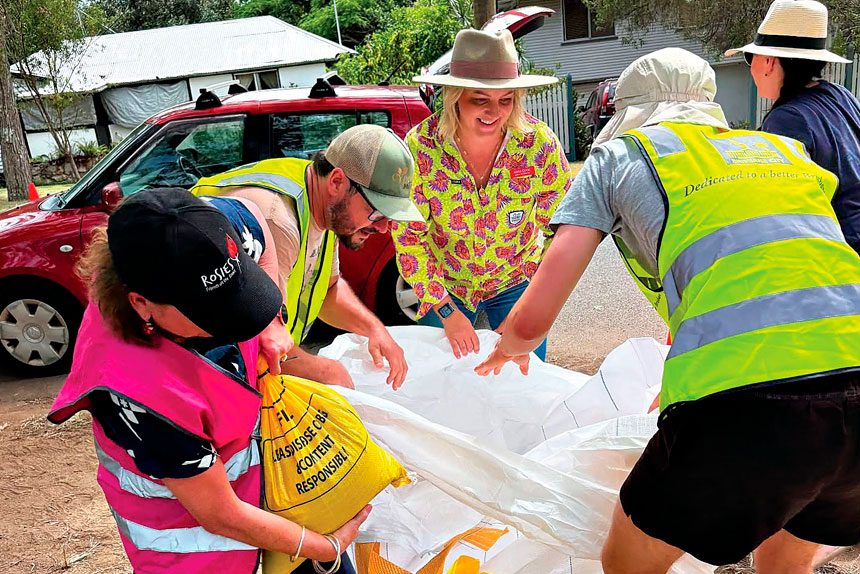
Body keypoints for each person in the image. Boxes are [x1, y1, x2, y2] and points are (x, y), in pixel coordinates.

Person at [476, 48, 860, 573]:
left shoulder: (618, 158)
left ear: (629, 112)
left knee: (627, 562)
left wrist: (506, 348)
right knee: (786, 559)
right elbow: (781, 278)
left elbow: (532, 320)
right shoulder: (780, 150)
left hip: (751, 405)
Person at [48, 189, 369, 574]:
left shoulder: (201, 234)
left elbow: (253, 218)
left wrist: (269, 321)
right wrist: (325, 549)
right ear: (141, 304)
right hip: (195, 549)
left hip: (266, 492)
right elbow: (221, 515)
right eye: (213, 314)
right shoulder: (139, 395)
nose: (236, 325)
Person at [192, 124, 423, 390]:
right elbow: (259, 343)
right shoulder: (277, 220)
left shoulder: (325, 205)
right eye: (376, 212)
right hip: (201, 376)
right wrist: (325, 371)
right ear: (337, 181)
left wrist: (374, 329)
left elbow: (328, 289)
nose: (383, 228)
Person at [393, 28, 571, 361]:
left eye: (506, 100)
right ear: (455, 96)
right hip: (446, 282)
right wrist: (446, 311)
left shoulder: (538, 144)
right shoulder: (421, 147)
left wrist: (533, 301)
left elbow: (564, 230)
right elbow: (408, 237)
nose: (495, 112)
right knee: (440, 379)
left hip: (516, 280)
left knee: (522, 378)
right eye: (480, 99)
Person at [727, 0, 860, 255]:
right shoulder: (839, 94)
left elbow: (774, 206)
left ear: (768, 62)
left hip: (842, 255)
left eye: (749, 57)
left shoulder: (787, 119)